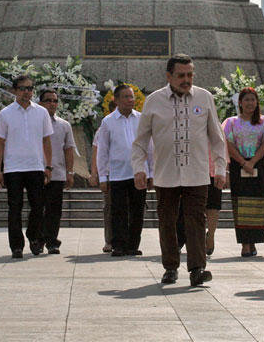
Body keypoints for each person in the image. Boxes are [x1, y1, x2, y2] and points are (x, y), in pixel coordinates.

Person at [131, 54, 227, 287]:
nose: (186, 80)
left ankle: (197, 269)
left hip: (197, 172)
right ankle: (170, 267)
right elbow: (141, 140)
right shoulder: (154, 101)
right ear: (169, 76)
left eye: (190, 75)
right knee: (168, 221)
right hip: (166, 173)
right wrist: (139, 169)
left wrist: (221, 168)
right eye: (181, 75)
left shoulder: (204, 98)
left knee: (196, 220)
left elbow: (216, 137)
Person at [0, 75, 54, 258]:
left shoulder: (41, 112)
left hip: (35, 167)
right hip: (13, 168)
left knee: (38, 207)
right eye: (22, 88)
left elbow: (47, 140)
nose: (26, 92)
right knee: (15, 208)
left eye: (29, 88)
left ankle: (33, 237)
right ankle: (16, 246)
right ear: (14, 90)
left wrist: (48, 166)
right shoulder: (5, 113)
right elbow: (0, 143)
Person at [97, 84, 152, 257]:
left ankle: (133, 244)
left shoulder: (142, 119)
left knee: (137, 210)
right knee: (118, 210)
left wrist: (151, 173)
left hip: (139, 173)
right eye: (126, 97)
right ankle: (118, 244)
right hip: (118, 173)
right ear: (117, 100)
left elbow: (149, 147)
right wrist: (102, 176)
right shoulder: (108, 122)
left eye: (132, 97)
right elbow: (103, 151)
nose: (130, 100)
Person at [223, 87, 264, 257]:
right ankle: (245, 243)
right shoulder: (231, 122)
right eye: (246, 100)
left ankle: (254, 240)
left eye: (253, 99)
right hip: (239, 165)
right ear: (240, 103)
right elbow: (228, 143)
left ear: (257, 102)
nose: (250, 103)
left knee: (258, 204)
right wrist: (244, 162)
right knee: (241, 205)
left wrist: (253, 162)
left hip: (259, 164)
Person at [37, 89, 76, 255]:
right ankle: (37, 240)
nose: (52, 104)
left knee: (54, 210)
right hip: (36, 171)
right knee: (37, 209)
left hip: (57, 173)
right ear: (40, 103)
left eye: (55, 101)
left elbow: (68, 149)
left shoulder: (63, 125)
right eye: (48, 100)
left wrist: (70, 172)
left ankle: (52, 241)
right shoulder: (34, 123)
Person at [90, 110, 113, 253]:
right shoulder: (103, 129)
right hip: (111, 173)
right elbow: (96, 152)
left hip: (130, 173)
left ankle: (127, 240)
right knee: (110, 207)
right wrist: (95, 173)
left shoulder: (135, 122)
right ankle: (110, 240)